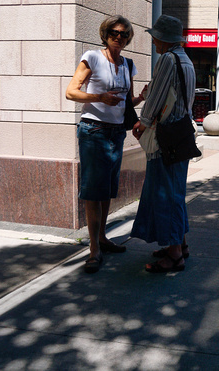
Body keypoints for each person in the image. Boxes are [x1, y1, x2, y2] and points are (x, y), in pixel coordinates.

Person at [66, 15, 145, 274]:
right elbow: (71, 91)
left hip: (115, 133)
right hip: (94, 131)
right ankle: (93, 250)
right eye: (114, 32)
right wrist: (98, 96)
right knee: (93, 192)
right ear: (105, 33)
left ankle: (102, 238)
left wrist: (140, 98)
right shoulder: (93, 57)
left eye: (124, 34)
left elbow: (123, 104)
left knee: (108, 189)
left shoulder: (128, 64)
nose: (119, 37)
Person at [131, 15, 195, 273]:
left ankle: (175, 256)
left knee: (166, 195)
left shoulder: (168, 59)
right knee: (175, 193)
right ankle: (178, 244)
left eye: (155, 37)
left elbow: (158, 96)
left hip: (165, 139)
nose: (153, 41)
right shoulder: (186, 60)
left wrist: (143, 122)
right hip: (180, 137)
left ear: (164, 39)